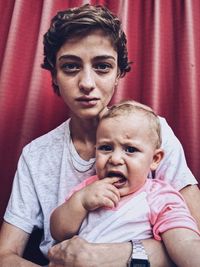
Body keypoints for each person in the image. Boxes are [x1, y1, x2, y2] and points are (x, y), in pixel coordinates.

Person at [0, 3, 199, 267]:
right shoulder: (36, 156)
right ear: (54, 75)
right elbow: (5, 255)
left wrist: (114, 255)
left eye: (102, 66)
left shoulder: (153, 134)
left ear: (119, 74)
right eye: (70, 67)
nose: (87, 83)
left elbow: (193, 238)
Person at [50, 101, 200, 267]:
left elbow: (186, 242)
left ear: (155, 159)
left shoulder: (159, 196)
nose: (115, 159)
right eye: (106, 147)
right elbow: (58, 231)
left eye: (130, 149)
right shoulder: (88, 189)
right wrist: (80, 202)